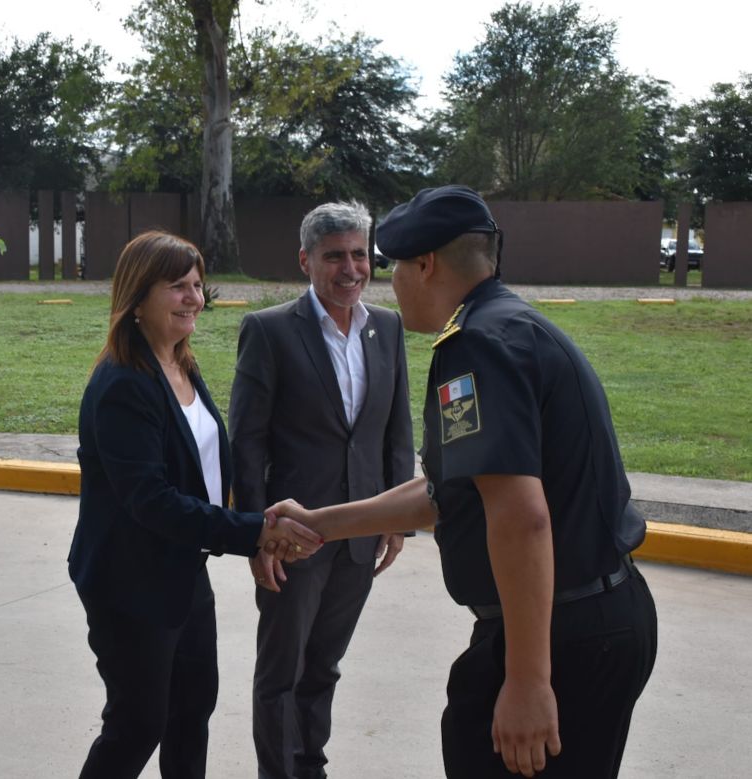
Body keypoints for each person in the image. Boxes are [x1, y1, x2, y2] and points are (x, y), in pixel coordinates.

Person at [269, 185, 658, 779]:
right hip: (593, 621)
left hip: (562, 634)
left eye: (394, 266)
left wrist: (528, 682)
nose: (389, 282)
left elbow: (520, 516)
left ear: (424, 265)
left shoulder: (475, 346)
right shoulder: (508, 327)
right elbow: (453, 491)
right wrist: (321, 522)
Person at [67, 230, 322, 779]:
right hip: (128, 581)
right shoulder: (123, 384)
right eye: (178, 287)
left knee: (191, 711)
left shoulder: (182, 366)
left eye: (199, 286)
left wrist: (242, 524)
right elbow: (151, 501)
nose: (194, 298)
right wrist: (252, 530)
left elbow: (201, 471)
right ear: (138, 296)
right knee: (137, 723)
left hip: (182, 570)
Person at [228, 200, 414, 779]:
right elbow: (247, 442)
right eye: (335, 256)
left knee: (324, 667)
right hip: (293, 538)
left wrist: (395, 520)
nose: (351, 269)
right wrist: (258, 536)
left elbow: (395, 430)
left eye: (360, 255)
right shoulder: (270, 330)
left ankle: (311, 767)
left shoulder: (387, 327)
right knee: (282, 671)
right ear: (305, 261)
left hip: (359, 536)